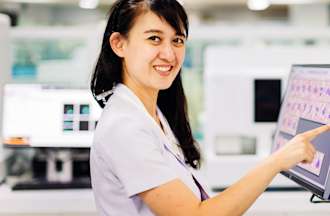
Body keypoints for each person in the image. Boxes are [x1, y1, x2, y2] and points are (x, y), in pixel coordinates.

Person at [89, 0, 330, 215]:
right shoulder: (125, 127)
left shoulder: (152, 114)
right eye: (154, 38)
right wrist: (276, 162)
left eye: (177, 40)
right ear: (119, 44)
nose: (169, 54)